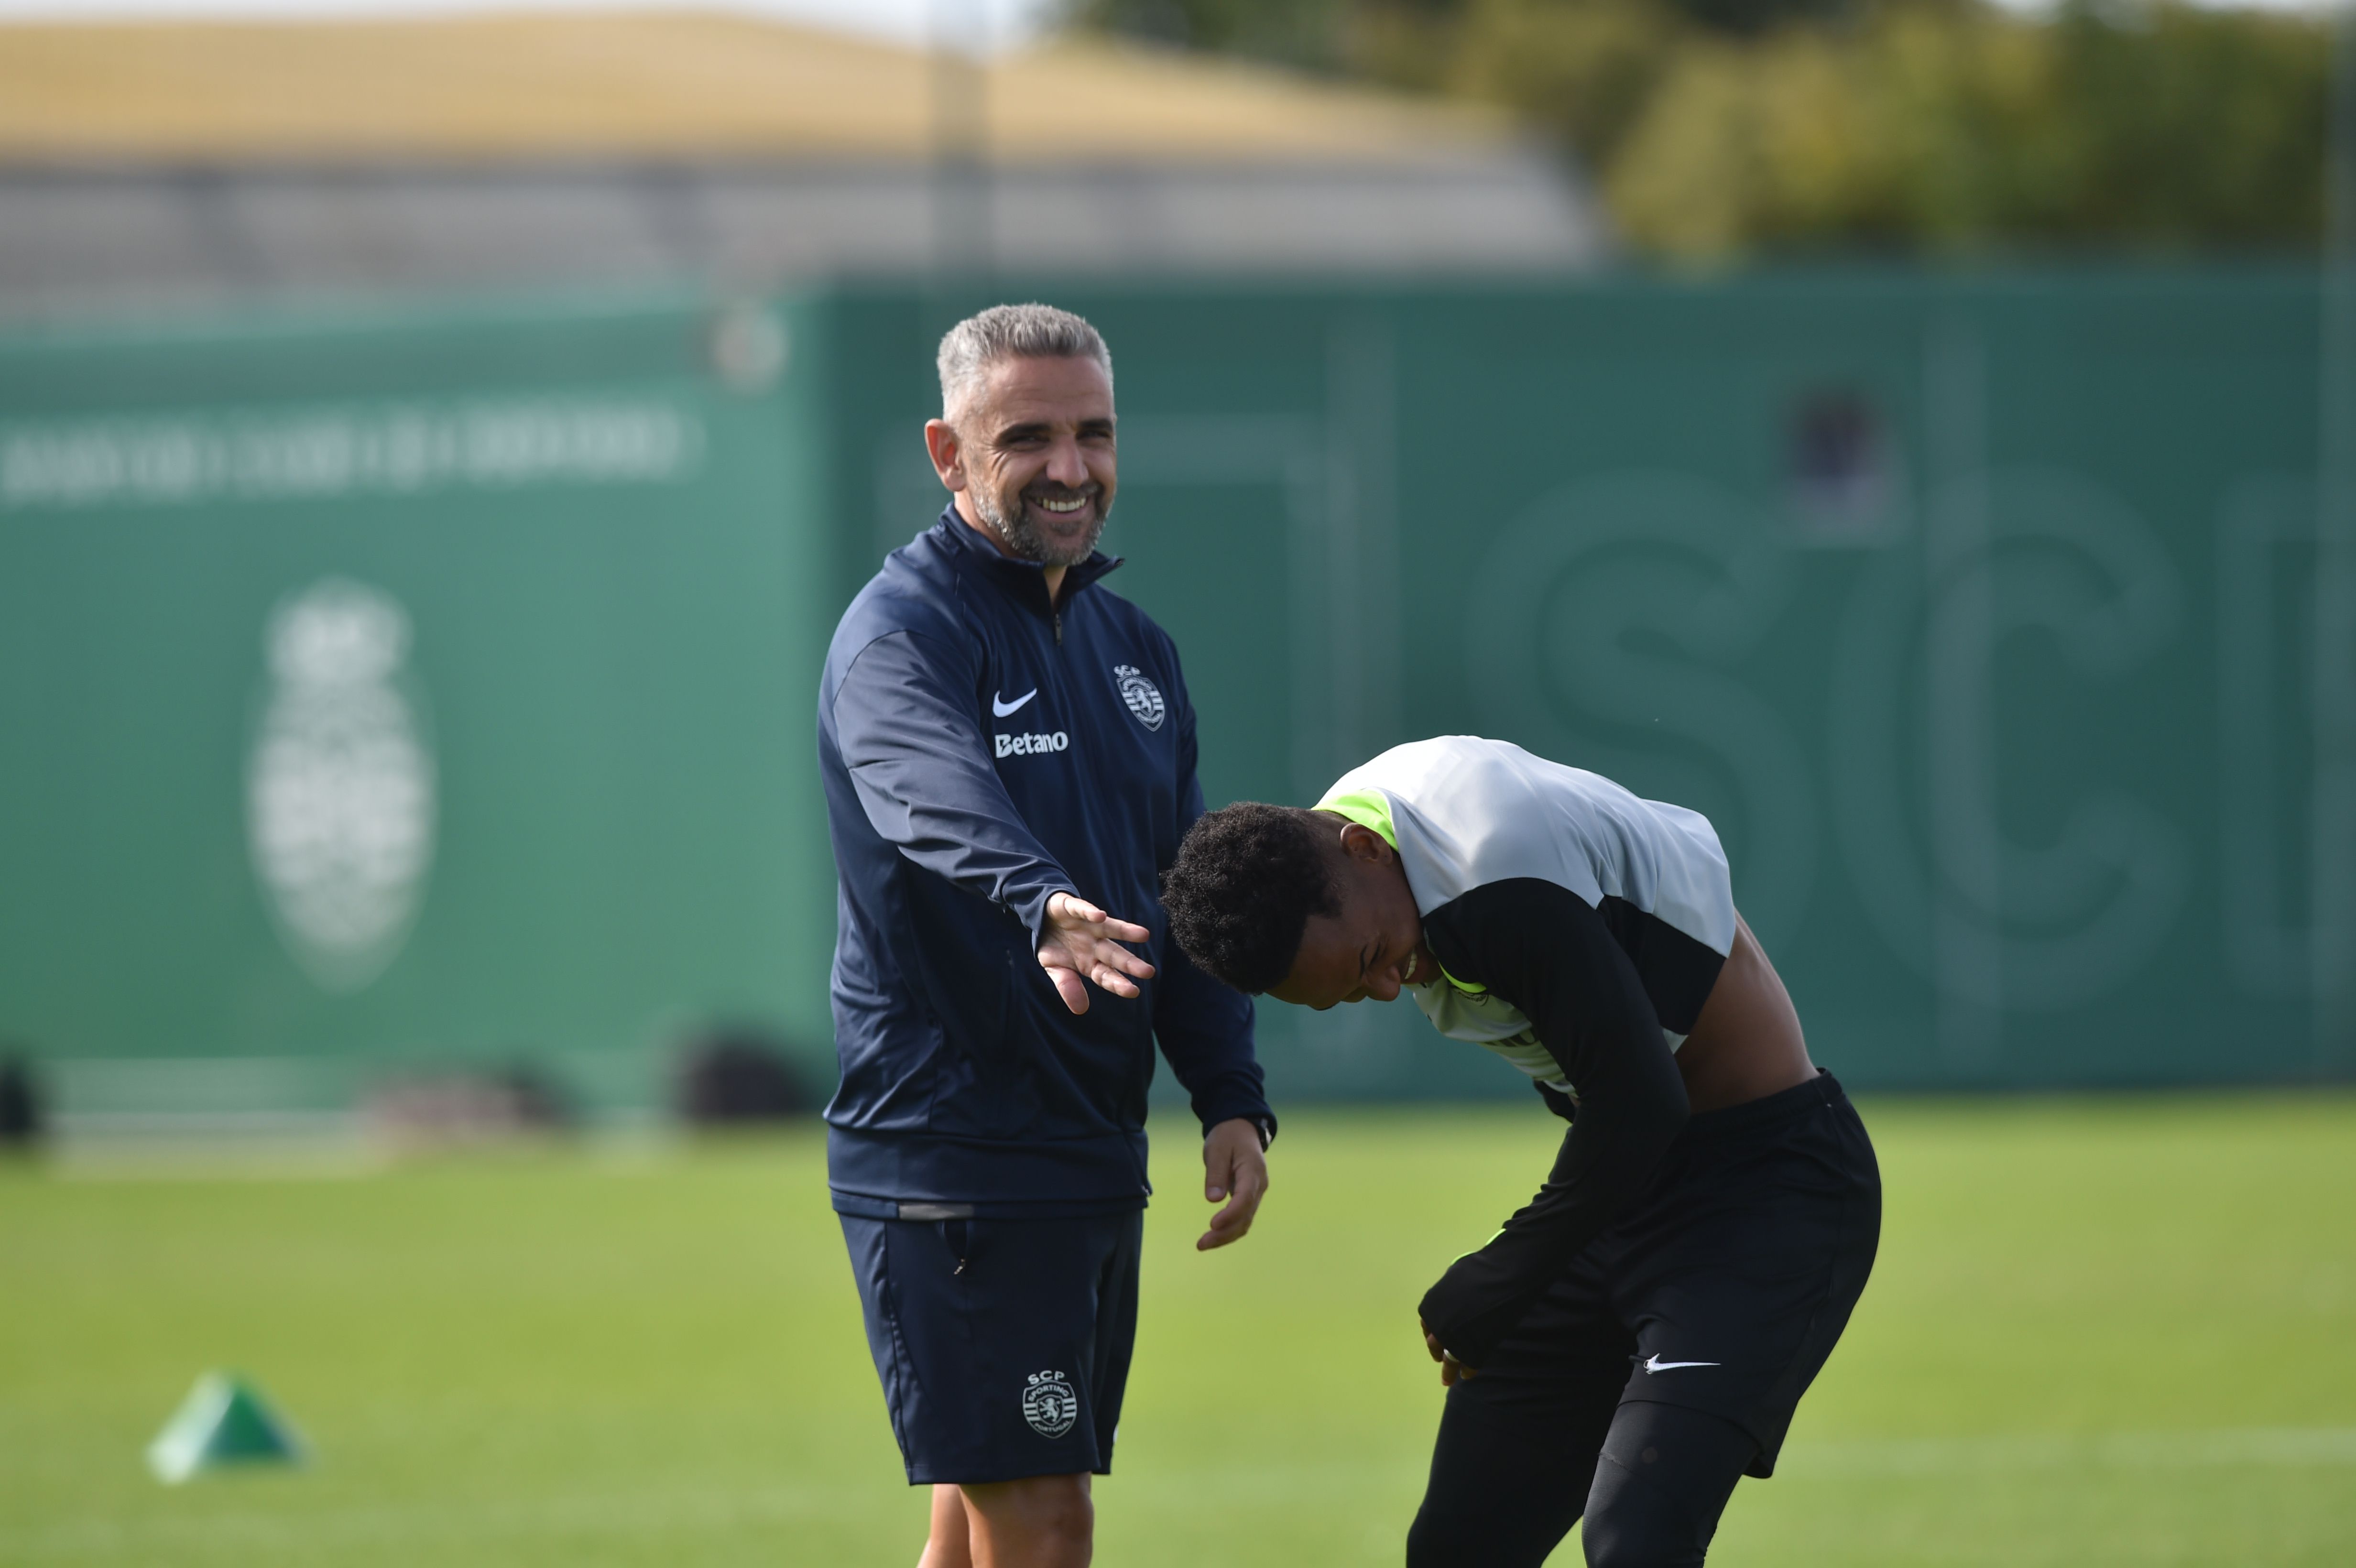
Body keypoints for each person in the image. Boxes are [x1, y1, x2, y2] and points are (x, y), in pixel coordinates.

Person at [1159, 735, 1878, 1568]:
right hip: (1625, 1185)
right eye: (1357, 992)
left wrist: (1500, 1275)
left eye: (1369, 961)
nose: (1390, 988)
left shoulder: (1492, 875)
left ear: (1362, 849)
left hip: (1765, 1195)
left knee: (1635, 1542)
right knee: (1460, 1550)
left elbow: (1643, 1102)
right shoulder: (1344, 848)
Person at [818, 303, 1276, 1568]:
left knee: (976, 1533)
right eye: (1027, 437)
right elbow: (926, 792)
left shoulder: (1139, 652)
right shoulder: (901, 634)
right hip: (953, 1153)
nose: (1071, 467)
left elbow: (1182, 889)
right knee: (1046, 1517)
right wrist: (1038, 895)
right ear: (947, 452)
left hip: (1086, 1144)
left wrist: (1229, 1091)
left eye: (1094, 433)